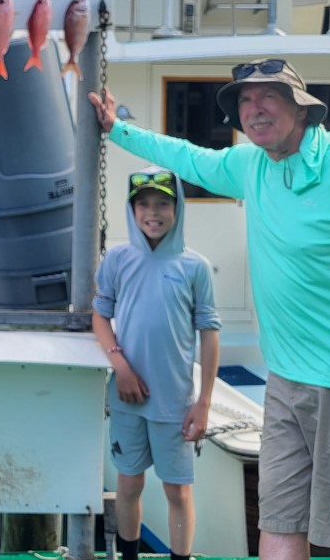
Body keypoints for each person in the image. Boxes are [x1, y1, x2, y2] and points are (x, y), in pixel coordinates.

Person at [89, 59, 330, 560]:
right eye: (244, 101)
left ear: (301, 108)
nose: (254, 109)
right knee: (279, 524)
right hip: (285, 383)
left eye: (267, 96)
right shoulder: (251, 166)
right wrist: (118, 129)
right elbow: (187, 157)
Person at [93, 167, 221, 560]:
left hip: (174, 403)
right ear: (132, 211)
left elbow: (209, 333)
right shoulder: (116, 259)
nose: (153, 212)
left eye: (163, 203)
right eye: (144, 204)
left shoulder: (195, 266)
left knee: (177, 490)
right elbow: (100, 317)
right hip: (127, 398)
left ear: (177, 208)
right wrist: (121, 366)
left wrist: (203, 404)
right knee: (129, 485)